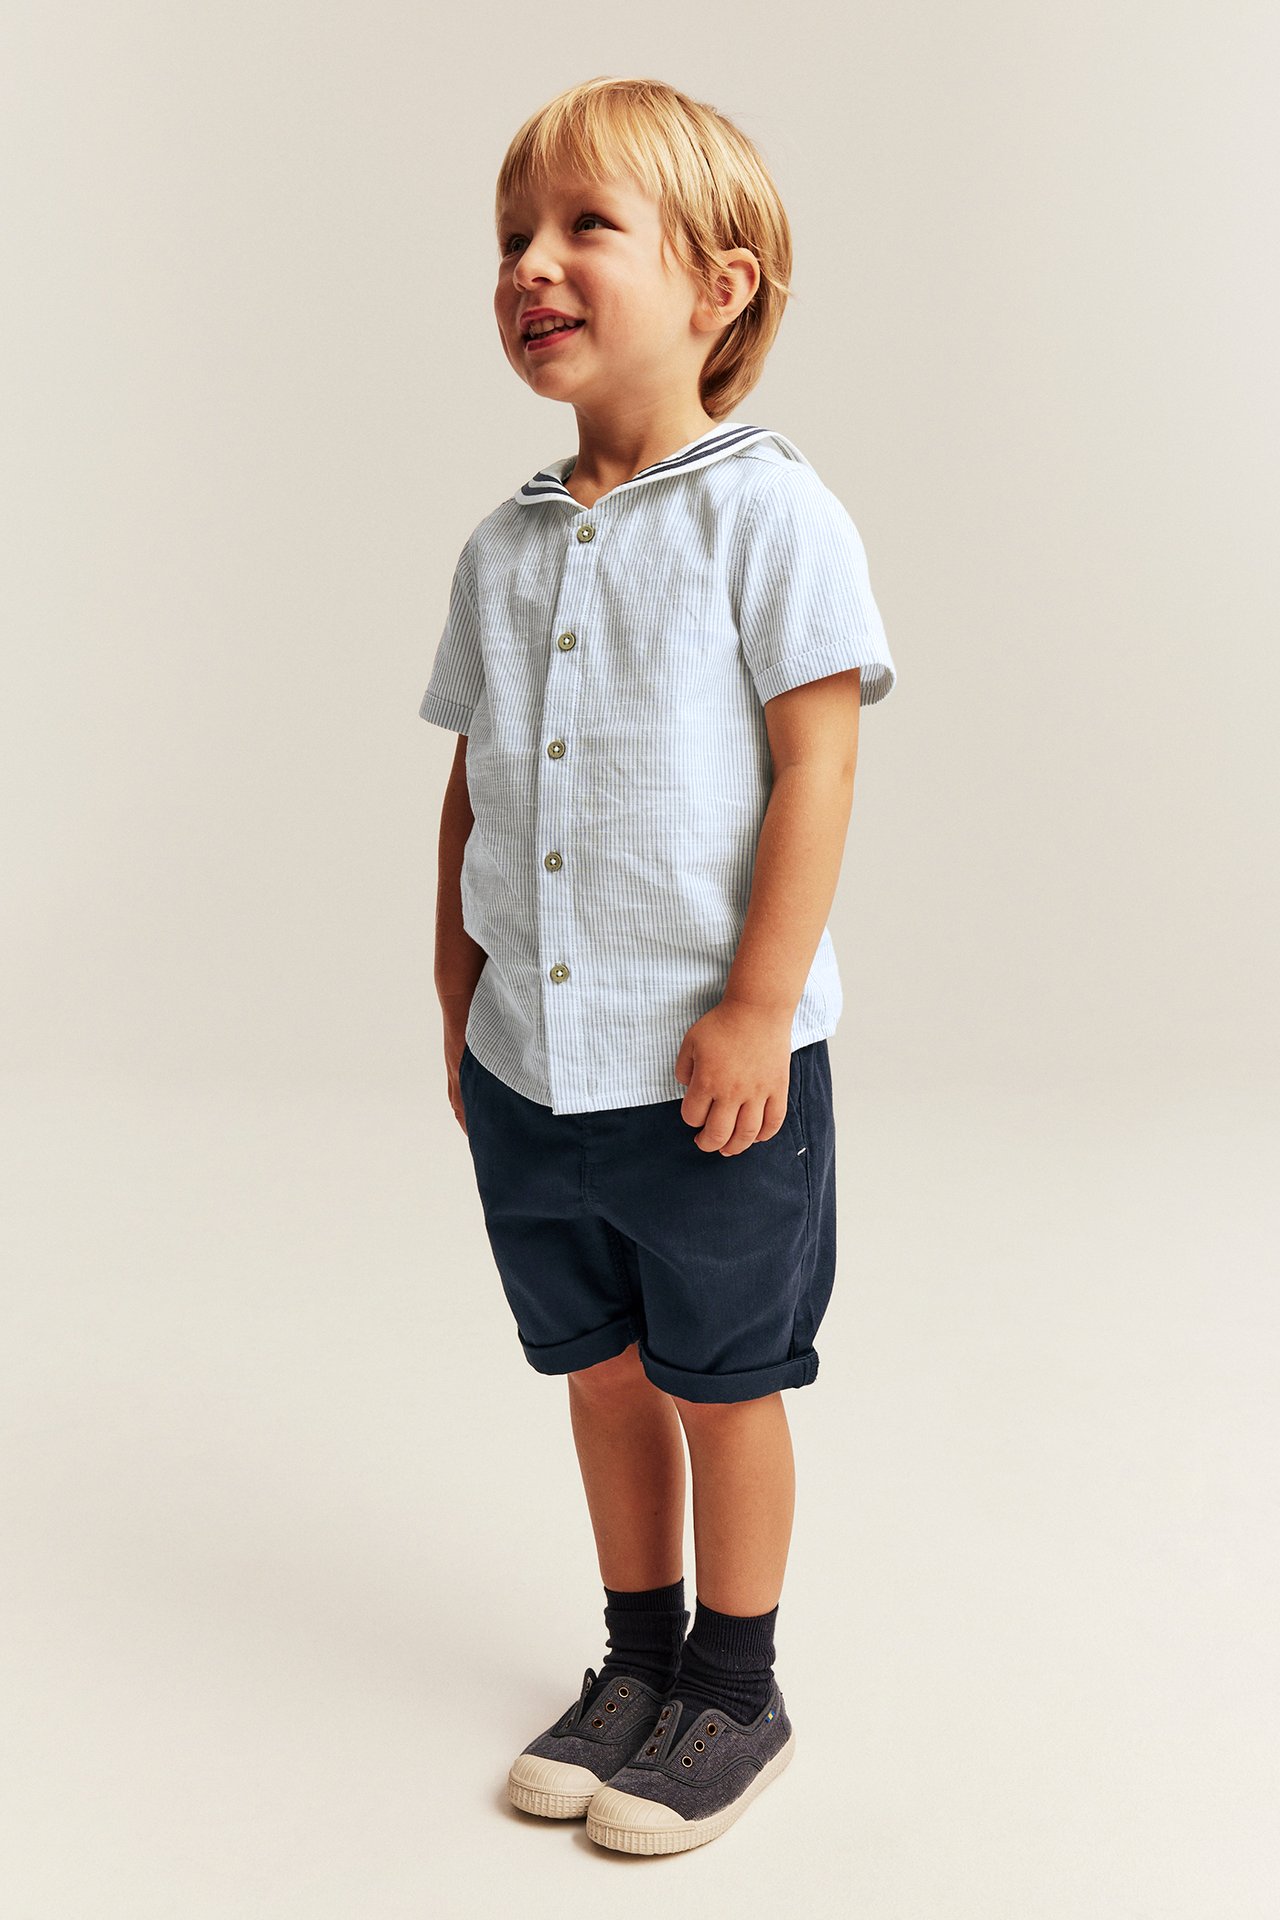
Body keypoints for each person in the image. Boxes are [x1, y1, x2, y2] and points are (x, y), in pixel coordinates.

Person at [419, 75, 898, 1855]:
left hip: (711, 1076)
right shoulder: (503, 546)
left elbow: (819, 764)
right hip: (536, 1067)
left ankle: (737, 1687)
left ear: (720, 283)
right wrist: (457, 1005)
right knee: (602, 1369)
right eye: (510, 238)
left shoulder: (770, 514)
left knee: (723, 1378)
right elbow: (471, 789)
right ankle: (637, 1657)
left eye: (583, 228)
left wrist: (760, 1007)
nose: (529, 265)